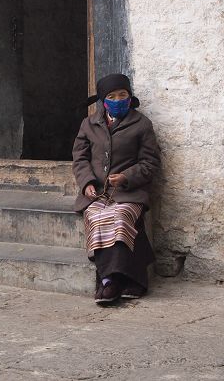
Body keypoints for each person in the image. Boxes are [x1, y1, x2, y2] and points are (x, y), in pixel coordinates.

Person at [72, 73, 161, 306]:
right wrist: (87, 183)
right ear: (103, 100)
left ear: (130, 97)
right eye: (112, 96)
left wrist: (126, 177)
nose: (118, 100)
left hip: (130, 192)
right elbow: (80, 159)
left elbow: (150, 162)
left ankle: (110, 281)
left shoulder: (142, 124)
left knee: (120, 217)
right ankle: (117, 279)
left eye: (123, 95)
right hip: (97, 193)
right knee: (96, 216)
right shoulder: (88, 124)